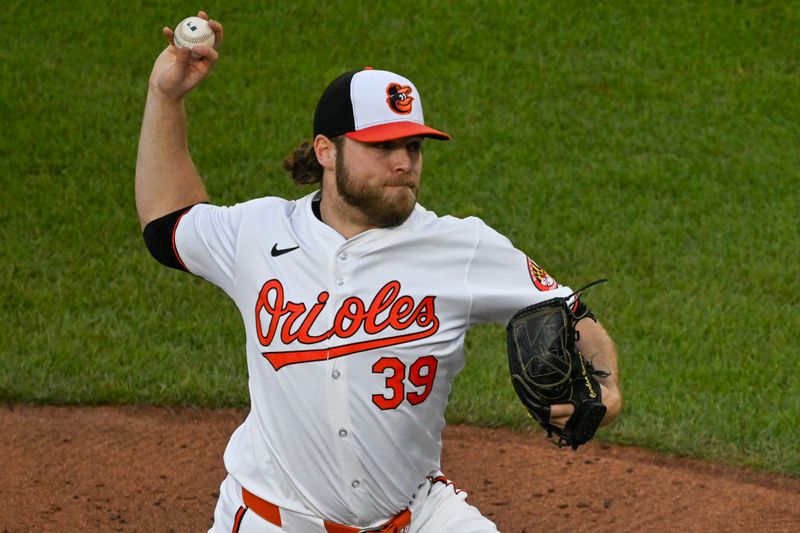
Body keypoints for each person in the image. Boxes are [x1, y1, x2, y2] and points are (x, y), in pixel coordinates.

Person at [135, 11, 621, 533]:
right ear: (327, 150)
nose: (403, 162)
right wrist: (166, 97)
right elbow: (168, 222)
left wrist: (607, 391)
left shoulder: (460, 245)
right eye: (382, 145)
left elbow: (569, 311)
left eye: (412, 147)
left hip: (414, 517)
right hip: (271, 521)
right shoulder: (258, 231)